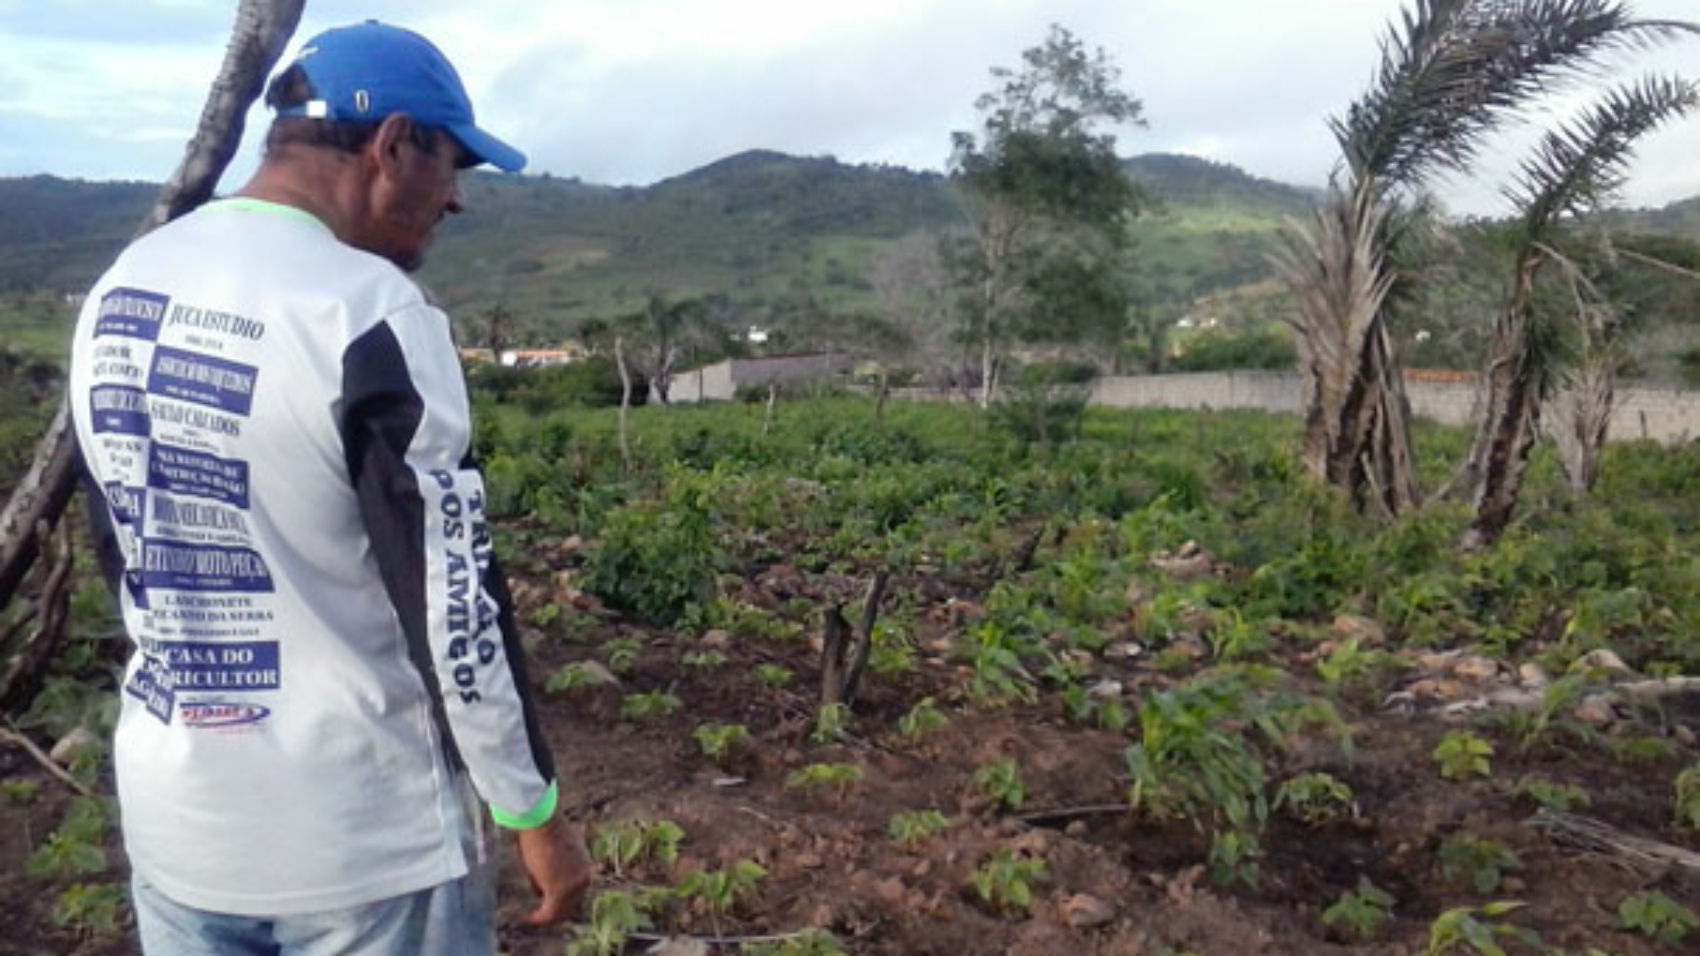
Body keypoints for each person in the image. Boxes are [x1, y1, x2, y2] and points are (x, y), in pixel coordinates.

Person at [67, 20, 590, 955]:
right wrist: (533, 808)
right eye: (452, 164)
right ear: (393, 144)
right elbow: (453, 607)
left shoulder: (121, 287)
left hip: (178, 827)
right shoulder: (367, 311)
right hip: (364, 850)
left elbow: (126, 549)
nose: (455, 199)